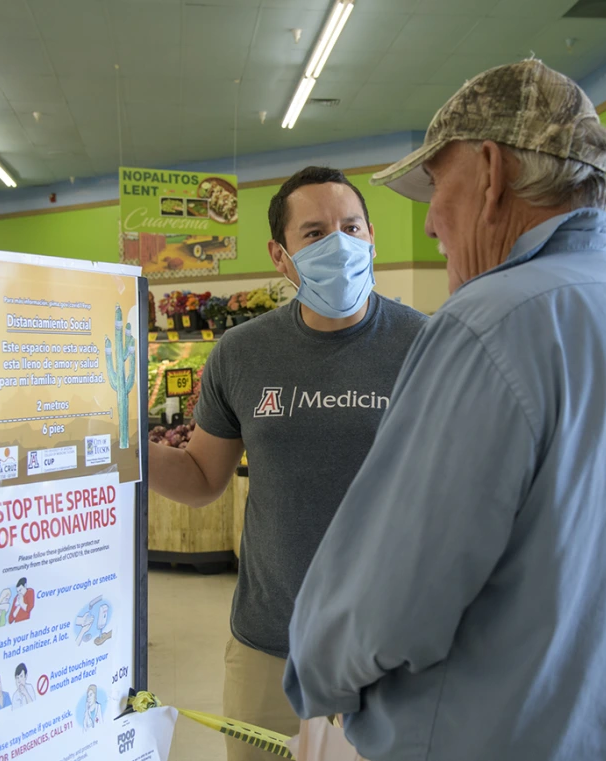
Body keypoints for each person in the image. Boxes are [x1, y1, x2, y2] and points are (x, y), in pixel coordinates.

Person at [284, 60, 606, 761]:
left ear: (489, 172)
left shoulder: (488, 322)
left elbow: (391, 594)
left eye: (435, 188)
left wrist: (315, 671)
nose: (431, 225)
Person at [148, 166, 427, 761]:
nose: (340, 244)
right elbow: (202, 478)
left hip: (394, 644)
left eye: (351, 227)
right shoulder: (241, 354)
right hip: (271, 643)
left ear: (372, 236)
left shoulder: (425, 346)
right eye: (316, 233)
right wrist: (120, 451)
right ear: (280, 255)